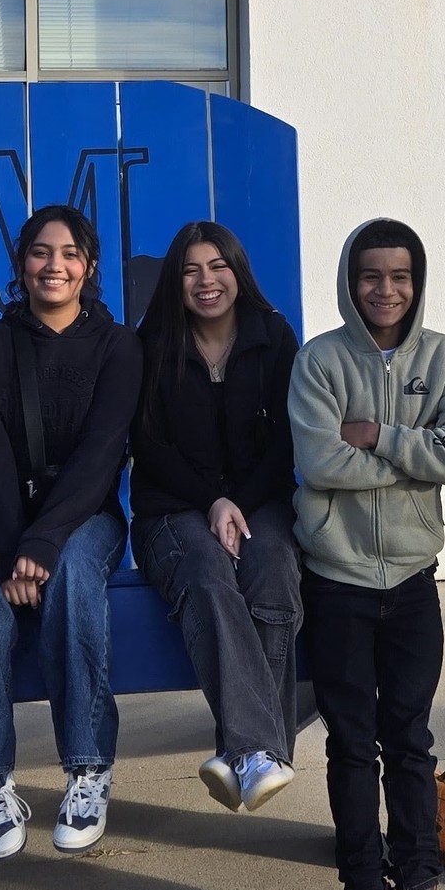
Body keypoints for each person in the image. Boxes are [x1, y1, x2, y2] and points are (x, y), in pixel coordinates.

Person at [289, 218, 445, 890]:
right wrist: (415, 455)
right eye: (372, 275)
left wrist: (380, 436)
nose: (386, 289)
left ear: (417, 283)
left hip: (411, 582)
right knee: (350, 743)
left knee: (409, 740)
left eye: (400, 276)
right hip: (336, 582)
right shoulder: (319, 362)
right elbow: (320, 464)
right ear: (350, 280)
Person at [0, 204, 141, 858]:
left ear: (89, 267)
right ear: (21, 264)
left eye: (70, 253)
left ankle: (88, 768)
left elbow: (101, 455)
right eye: (40, 253)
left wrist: (42, 546)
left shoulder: (118, 347)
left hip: (83, 518)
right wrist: (11, 549)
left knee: (77, 573)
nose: (55, 265)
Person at [130, 221, 302, 813]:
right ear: (175, 282)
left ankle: (246, 751)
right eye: (190, 269)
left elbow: (287, 439)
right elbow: (147, 446)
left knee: (275, 565)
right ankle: (261, 748)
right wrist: (213, 502)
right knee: (207, 573)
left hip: (260, 503)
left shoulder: (273, 337)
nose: (206, 281)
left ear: (238, 272)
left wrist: (241, 502)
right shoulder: (150, 343)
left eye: (217, 266)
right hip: (172, 512)